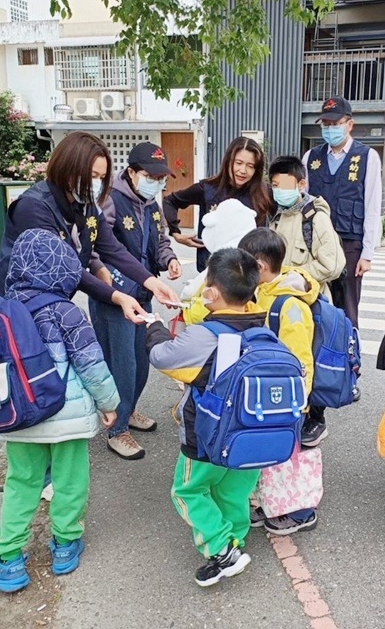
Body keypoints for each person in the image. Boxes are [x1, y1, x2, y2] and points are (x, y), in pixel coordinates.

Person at [0, 229, 119, 593]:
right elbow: (91, 364)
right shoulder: (65, 312)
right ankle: (65, 545)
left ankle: (8, 559)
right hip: (66, 418)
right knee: (71, 481)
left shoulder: (0, 311)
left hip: (21, 418)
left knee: (21, 482)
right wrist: (109, 405)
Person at [146, 248, 266, 587]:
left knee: (187, 491)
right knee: (234, 491)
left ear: (211, 292)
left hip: (209, 434)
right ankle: (234, 543)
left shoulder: (206, 334)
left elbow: (163, 357)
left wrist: (154, 327)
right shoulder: (262, 329)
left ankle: (221, 548)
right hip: (251, 435)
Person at [0, 131, 179, 321]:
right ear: (67, 168)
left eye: (102, 177)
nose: (96, 183)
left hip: (50, 305)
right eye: (92, 175)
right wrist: (117, 297)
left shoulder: (86, 205)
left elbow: (113, 249)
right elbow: (64, 266)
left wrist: (152, 282)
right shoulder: (34, 207)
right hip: (13, 309)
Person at [91, 142, 182, 460]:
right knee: (122, 366)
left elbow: (160, 239)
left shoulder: (152, 204)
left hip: (143, 295)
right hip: (115, 297)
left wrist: (169, 259)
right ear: (131, 172)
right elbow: (99, 248)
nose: (157, 183)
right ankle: (117, 430)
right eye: (150, 176)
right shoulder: (109, 199)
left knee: (143, 361)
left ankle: (127, 411)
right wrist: (105, 277)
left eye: (161, 178)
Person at [237, 228, 319, 536]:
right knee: (267, 453)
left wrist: (299, 401)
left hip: (288, 399)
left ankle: (301, 511)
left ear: (258, 265)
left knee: (288, 456)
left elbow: (301, 360)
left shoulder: (289, 305)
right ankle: (268, 503)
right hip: (265, 394)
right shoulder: (259, 295)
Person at [303, 96, 382, 329]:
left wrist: (367, 254)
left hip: (350, 244)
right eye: (325, 124)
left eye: (335, 124)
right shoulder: (311, 158)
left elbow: (372, 206)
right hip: (316, 243)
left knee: (347, 306)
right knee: (316, 302)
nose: (330, 129)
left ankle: (349, 359)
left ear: (349, 124)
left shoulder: (367, 157)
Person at [164, 137, 271, 272]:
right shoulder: (207, 189)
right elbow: (170, 201)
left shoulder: (264, 193)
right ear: (228, 162)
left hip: (248, 275)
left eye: (250, 166)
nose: (243, 170)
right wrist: (176, 233)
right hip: (211, 273)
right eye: (238, 163)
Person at [267, 156, 344, 289]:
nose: (280, 190)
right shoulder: (277, 219)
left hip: (308, 301)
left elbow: (332, 265)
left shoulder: (315, 218)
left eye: (285, 184)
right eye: (275, 185)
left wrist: (294, 276)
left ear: (301, 185)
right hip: (279, 299)